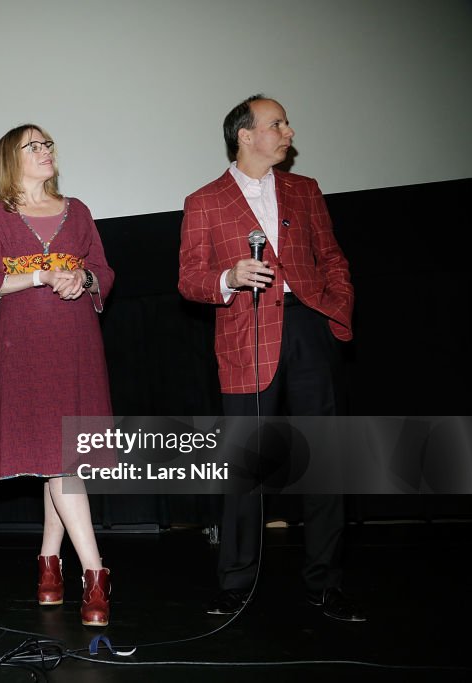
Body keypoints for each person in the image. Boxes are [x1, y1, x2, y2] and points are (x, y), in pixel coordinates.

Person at [177, 95, 364, 622]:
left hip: (309, 332)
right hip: (247, 335)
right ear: (244, 135)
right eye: (276, 123)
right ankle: (235, 585)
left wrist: (334, 311)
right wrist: (228, 278)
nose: (288, 130)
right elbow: (189, 279)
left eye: (284, 123)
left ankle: (325, 584)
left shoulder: (305, 190)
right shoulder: (205, 200)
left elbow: (332, 258)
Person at [0, 124, 115, 626]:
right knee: (60, 460)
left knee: (61, 456)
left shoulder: (79, 210)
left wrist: (85, 276)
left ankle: (49, 566)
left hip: (76, 343)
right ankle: (96, 573)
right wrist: (43, 274)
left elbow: (104, 269)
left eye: (48, 143)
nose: (45, 150)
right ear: (12, 159)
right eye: (34, 146)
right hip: (26, 347)